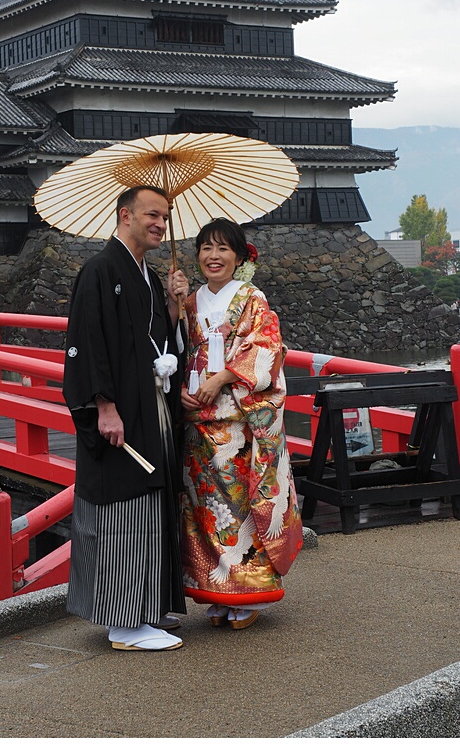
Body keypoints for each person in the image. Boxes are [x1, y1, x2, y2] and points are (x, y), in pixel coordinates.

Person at [63, 185, 189, 651]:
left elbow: (161, 343)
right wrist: (104, 406)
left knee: (152, 502)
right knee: (123, 506)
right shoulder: (99, 270)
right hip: (120, 412)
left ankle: (146, 607)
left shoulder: (149, 277)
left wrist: (175, 307)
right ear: (125, 216)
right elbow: (86, 342)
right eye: (152, 214)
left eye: (165, 217)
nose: (160, 224)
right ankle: (123, 625)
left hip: (150, 405)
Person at [180, 218, 303, 630]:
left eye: (222, 249)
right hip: (197, 415)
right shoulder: (190, 300)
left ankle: (248, 591)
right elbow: (178, 349)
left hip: (239, 418)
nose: (213, 257)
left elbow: (268, 347)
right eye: (205, 249)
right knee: (204, 509)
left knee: (239, 503)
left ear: (239, 256)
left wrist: (221, 377)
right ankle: (217, 591)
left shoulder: (252, 298)